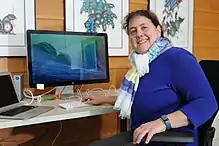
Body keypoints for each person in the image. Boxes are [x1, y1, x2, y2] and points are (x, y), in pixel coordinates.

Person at [82, 9, 218, 146]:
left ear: (158, 30)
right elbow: (140, 95)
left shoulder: (177, 58)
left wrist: (163, 122)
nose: (139, 34)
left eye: (144, 27)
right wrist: (102, 99)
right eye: (133, 31)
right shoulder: (142, 65)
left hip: (168, 139)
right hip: (142, 137)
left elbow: (207, 103)